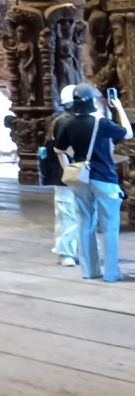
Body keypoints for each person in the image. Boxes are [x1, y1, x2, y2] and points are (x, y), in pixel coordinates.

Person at [49, 82, 131, 282]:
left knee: (85, 225)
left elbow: (59, 150)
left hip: (81, 180)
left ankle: (90, 271)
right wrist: (119, 107)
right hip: (105, 180)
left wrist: (68, 171)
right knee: (110, 227)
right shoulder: (100, 122)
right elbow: (127, 133)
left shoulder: (67, 123)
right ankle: (111, 273)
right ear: (91, 101)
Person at [40, 83, 78, 266]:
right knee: (67, 213)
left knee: (70, 213)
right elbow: (63, 151)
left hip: (70, 174)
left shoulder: (65, 120)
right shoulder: (65, 122)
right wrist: (70, 174)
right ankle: (65, 252)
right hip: (67, 176)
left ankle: (69, 249)